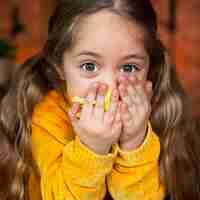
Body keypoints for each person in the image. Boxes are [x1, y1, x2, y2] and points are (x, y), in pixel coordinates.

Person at [0, 0, 199, 200]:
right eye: (89, 66)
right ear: (59, 65)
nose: (110, 87)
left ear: (149, 69)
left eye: (129, 68)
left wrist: (134, 143)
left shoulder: (155, 115)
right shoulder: (49, 119)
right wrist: (92, 148)